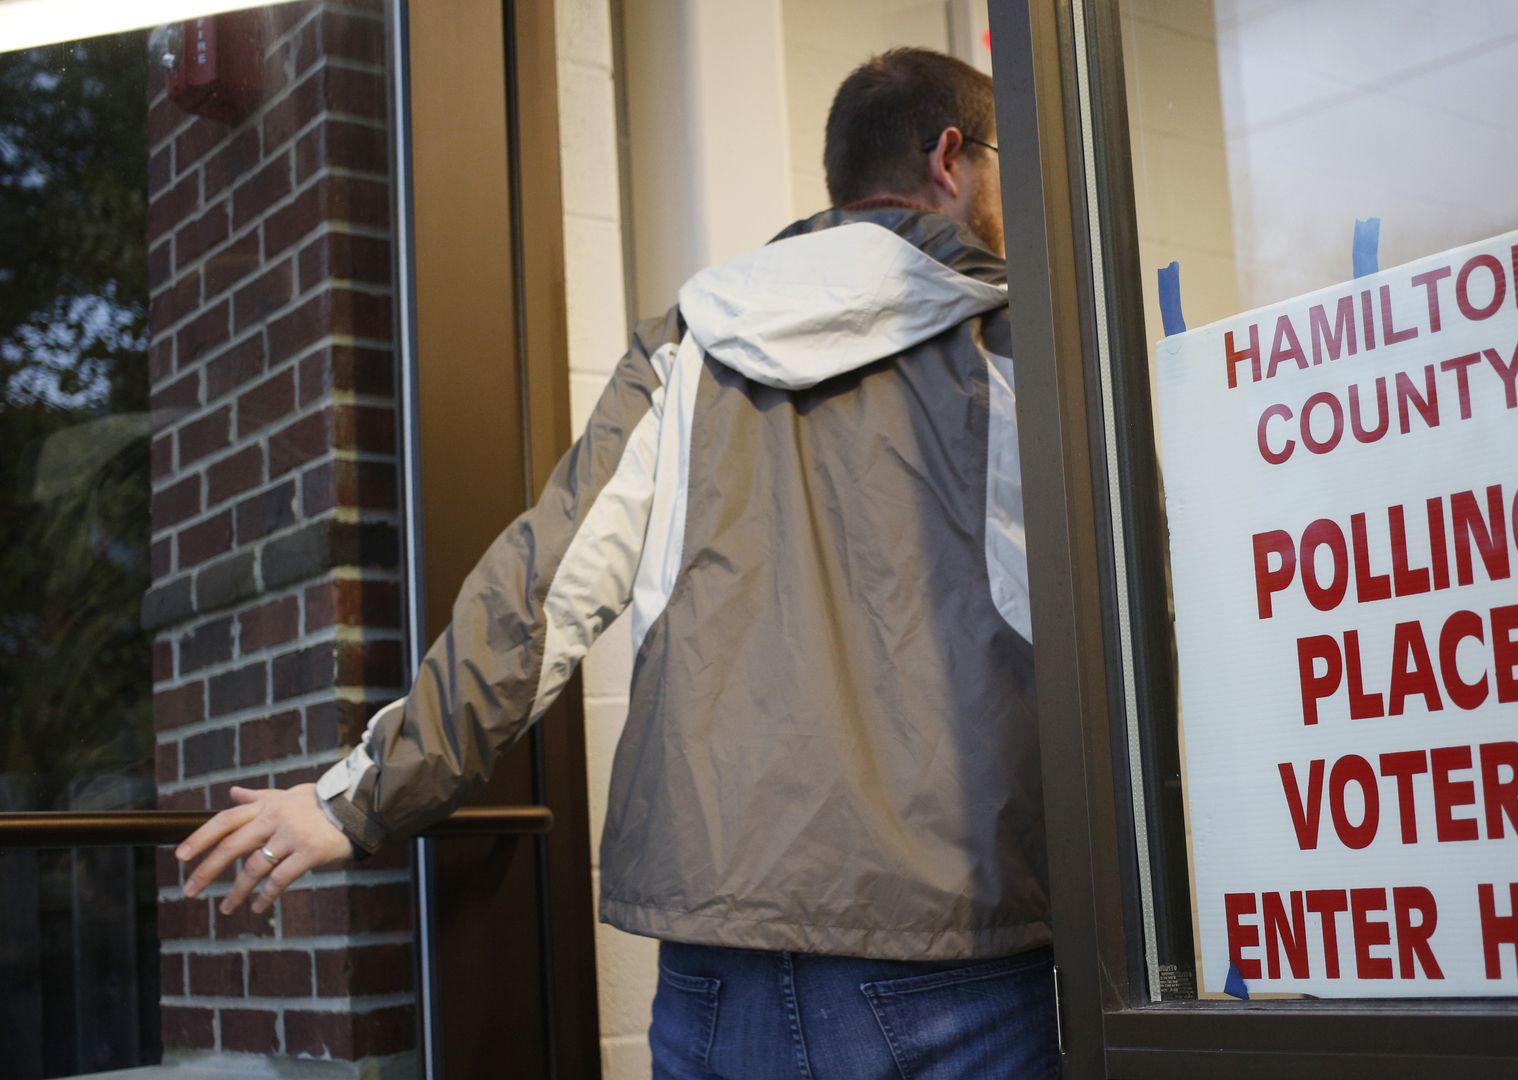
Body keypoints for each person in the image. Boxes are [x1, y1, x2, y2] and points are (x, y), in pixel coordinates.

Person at [174, 47, 1055, 1079]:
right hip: (966, 963)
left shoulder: (692, 345)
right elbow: (1130, 631)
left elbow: (536, 594)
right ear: (950, 157)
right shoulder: (1018, 340)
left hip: (715, 973)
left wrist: (351, 797)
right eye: (1004, 161)